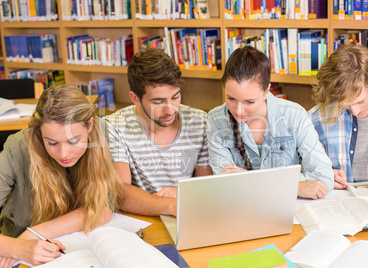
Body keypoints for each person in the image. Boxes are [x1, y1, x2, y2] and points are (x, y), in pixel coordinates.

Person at [0, 85, 124, 267]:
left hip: (79, 249)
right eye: (52, 142)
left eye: (73, 141)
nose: (64, 154)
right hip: (25, 259)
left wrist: (32, 233)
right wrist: (17, 247)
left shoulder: (103, 132)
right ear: (39, 133)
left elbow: (102, 210)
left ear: (90, 125)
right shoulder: (16, 148)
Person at [207, 46, 334, 199]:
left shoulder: (294, 115)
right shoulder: (215, 119)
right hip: (241, 208)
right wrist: (293, 187)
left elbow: (324, 178)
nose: (239, 111)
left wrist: (248, 179)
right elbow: (225, 184)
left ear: (267, 91)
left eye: (249, 101)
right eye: (231, 99)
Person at [105, 48, 212, 216]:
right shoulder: (115, 126)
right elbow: (120, 192)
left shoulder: (201, 121)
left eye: (175, 97)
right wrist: (170, 206)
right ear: (135, 99)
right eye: (158, 102)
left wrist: (182, 197)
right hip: (143, 220)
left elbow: (206, 185)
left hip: (189, 214)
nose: (170, 109)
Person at [309, 44, 368, 189]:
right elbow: (301, 169)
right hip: (343, 202)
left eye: (361, 101)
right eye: (345, 104)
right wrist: (323, 175)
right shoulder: (318, 118)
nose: (354, 111)